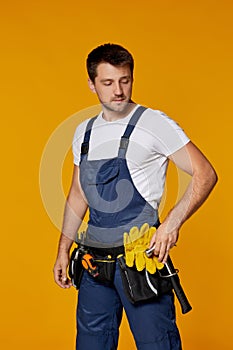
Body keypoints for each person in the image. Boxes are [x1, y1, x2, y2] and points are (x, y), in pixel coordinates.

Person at [53, 43, 217, 350]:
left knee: (157, 344)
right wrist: (63, 248)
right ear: (91, 84)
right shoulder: (83, 132)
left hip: (140, 263)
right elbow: (78, 193)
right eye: (108, 82)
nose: (118, 90)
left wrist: (171, 223)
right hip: (94, 265)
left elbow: (206, 174)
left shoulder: (153, 124)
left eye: (125, 80)